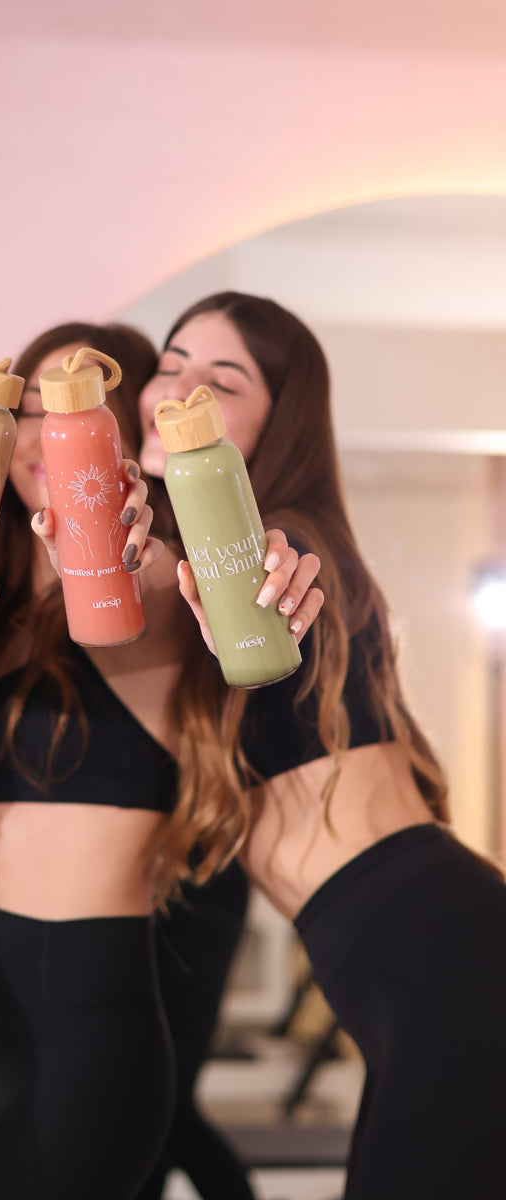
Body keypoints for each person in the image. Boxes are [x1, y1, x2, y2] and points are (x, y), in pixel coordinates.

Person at [0, 319, 322, 1200]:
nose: (45, 432)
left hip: (82, 1023)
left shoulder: (148, 584)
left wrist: (135, 532)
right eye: (31, 405)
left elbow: (159, 569)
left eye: (79, 412)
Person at [143, 292, 506, 1200]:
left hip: (441, 957)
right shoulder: (187, 561)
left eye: (222, 382)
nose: (178, 390)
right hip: (415, 959)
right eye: (170, 361)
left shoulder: (283, 546)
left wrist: (271, 587)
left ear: (279, 421)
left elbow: (273, 575)